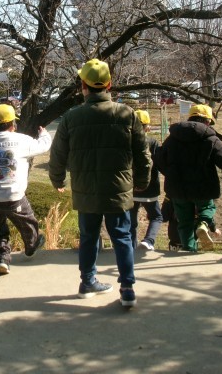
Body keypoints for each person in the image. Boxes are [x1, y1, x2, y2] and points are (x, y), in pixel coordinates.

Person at [49, 59, 151, 308]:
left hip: (86, 189)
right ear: (109, 85)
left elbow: (58, 154)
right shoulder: (126, 114)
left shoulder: (71, 117)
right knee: (122, 237)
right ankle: (127, 289)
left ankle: (87, 282)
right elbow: (142, 154)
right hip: (118, 188)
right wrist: (142, 180)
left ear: (83, 86)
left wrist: (57, 178)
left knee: (88, 236)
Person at [155, 104, 222, 252]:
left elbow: (159, 159)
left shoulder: (172, 138)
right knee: (208, 208)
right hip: (203, 188)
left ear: (190, 118)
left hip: (177, 189)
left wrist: (172, 174)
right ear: (207, 122)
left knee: (184, 223)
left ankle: (188, 250)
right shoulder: (210, 140)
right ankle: (203, 224)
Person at [0, 104, 52, 275]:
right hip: (13, 196)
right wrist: (44, 134)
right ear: (12, 124)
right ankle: (31, 246)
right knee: (28, 222)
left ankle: (3, 258)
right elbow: (43, 146)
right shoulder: (22, 140)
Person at [129, 110, 163, 251]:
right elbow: (159, 163)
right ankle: (148, 240)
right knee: (156, 216)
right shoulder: (152, 142)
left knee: (131, 221)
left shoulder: (125, 142)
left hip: (130, 189)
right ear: (147, 127)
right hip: (149, 187)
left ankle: (131, 246)